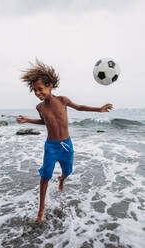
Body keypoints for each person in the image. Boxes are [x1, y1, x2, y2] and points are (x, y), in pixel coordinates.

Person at [16, 59, 113, 223]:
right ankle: (41, 209)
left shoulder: (62, 101)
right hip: (51, 146)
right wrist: (27, 120)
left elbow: (80, 107)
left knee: (68, 171)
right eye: (35, 91)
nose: (38, 93)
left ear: (50, 86)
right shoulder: (40, 108)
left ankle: (62, 179)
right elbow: (44, 122)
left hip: (66, 145)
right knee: (45, 176)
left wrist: (100, 109)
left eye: (40, 89)